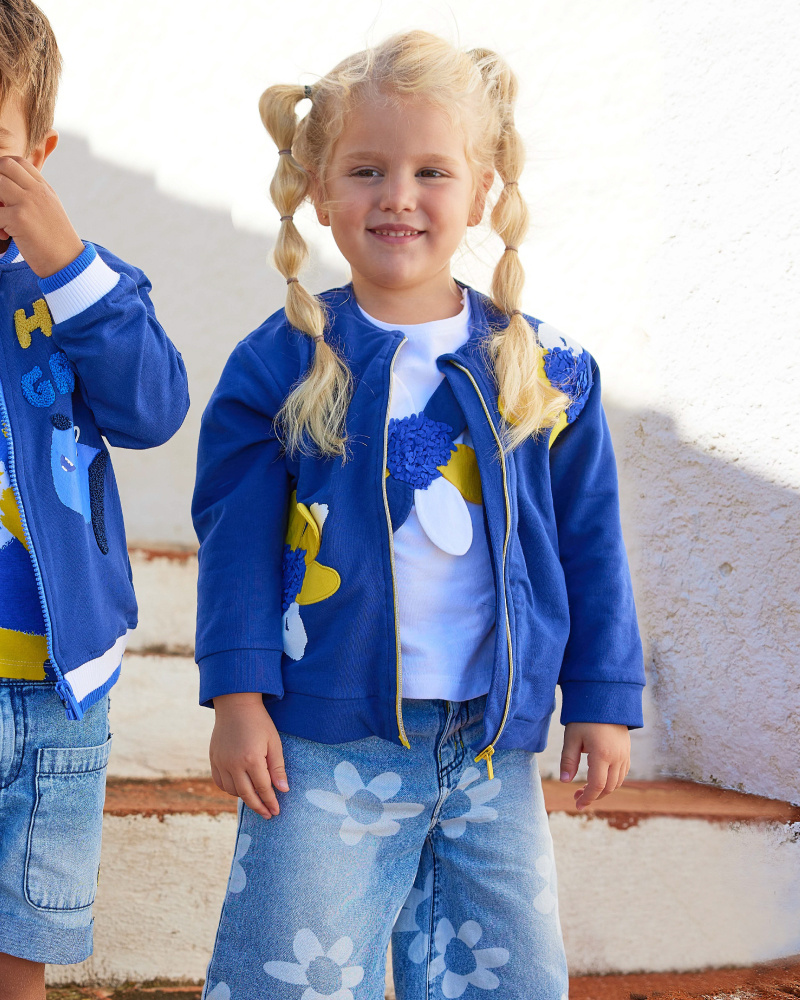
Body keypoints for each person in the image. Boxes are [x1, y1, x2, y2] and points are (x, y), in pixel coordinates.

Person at [193, 30, 644, 1000]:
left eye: (431, 171)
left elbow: (589, 542)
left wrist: (602, 695)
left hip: (490, 745)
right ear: (320, 192)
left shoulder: (547, 369)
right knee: (291, 974)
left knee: (506, 976)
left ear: (480, 192)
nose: (398, 195)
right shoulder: (280, 362)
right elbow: (236, 545)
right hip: (322, 741)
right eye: (366, 170)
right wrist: (237, 696)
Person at [0, 2, 190, 996]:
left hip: (55, 689)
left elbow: (152, 408)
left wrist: (66, 264)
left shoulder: (80, 288)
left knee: (25, 937)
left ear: (38, 155)